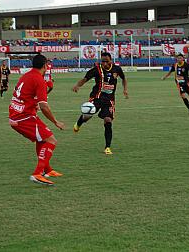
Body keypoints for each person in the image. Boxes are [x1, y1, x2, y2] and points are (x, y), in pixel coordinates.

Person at [8, 54, 65, 186]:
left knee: (42, 139)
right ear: (45, 65)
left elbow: (23, 95)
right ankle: (37, 174)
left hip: (17, 115)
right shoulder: (38, 79)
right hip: (24, 117)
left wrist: (36, 100)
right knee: (51, 140)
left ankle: (47, 170)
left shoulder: (27, 75)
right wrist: (56, 122)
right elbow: (44, 106)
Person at [72, 52, 128, 155]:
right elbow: (85, 79)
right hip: (96, 97)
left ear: (111, 60)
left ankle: (107, 147)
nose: (105, 63)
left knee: (108, 120)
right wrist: (78, 85)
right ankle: (79, 123)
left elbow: (124, 79)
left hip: (109, 100)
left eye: (107, 61)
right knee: (88, 115)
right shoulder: (96, 69)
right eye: (103, 61)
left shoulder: (117, 69)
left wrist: (125, 90)